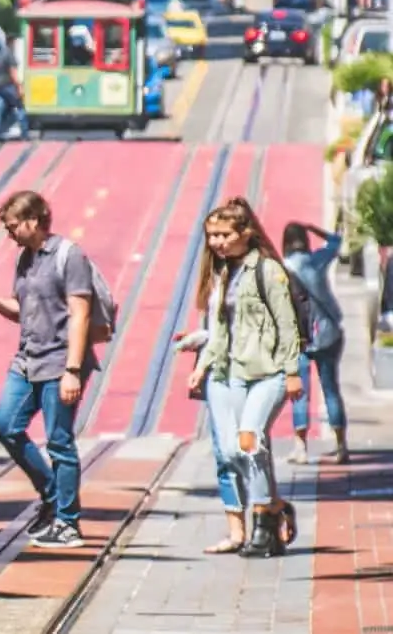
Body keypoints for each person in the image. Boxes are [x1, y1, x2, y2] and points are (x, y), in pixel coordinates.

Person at [0, 190, 96, 549]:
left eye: (12, 227)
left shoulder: (69, 256)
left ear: (34, 221)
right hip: (27, 359)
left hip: (59, 361)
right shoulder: (25, 259)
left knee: (59, 442)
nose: (9, 234)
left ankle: (69, 523)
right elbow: (22, 311)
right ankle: (52, 497)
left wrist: (73, 369)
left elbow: (80, 313)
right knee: (6, 426)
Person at [177, 197, 303, 558]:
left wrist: (292, 373)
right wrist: (202, 366)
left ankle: (264, 525)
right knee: (234, 451)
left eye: (223, 235)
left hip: (269, 372)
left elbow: (287, 324)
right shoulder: (224, 274)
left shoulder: (268, 271)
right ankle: (275, 507)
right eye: (211, 236)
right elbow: (219, 328)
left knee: (249, 440)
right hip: (231, 371)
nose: (216, 242)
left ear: (245, 233)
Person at [281, 222, 348, 464]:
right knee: (331, 389)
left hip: (299, 337)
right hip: (328, 333)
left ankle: (300, 447)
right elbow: (337, 241)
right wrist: (314, 229)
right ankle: (341, 446)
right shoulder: (317, 260)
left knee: (300, 393)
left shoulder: (282, 267)